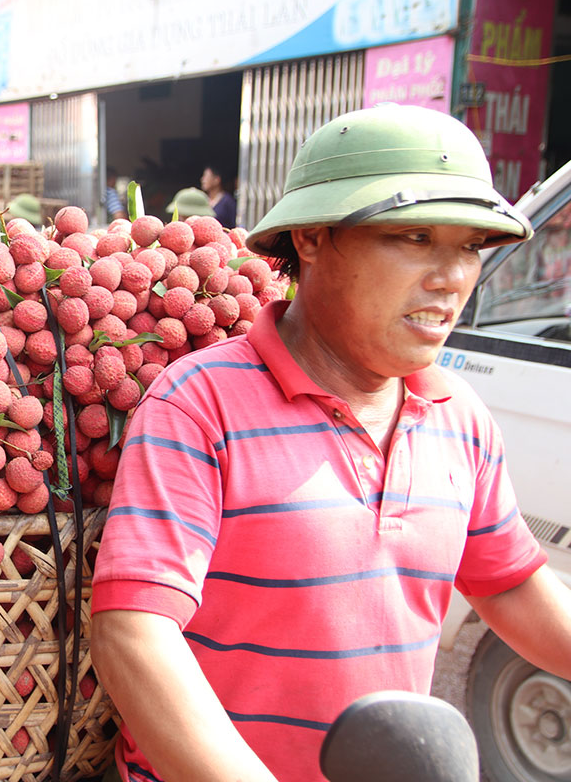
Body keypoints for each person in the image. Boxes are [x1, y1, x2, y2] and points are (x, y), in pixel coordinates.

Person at [91, 105, 571, 782]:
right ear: (312, 238)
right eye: (413, 237)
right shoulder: (199, 403)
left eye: (469, 247)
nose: (450, 277)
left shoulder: (458, 415)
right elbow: (133, 633)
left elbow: (513, 584)